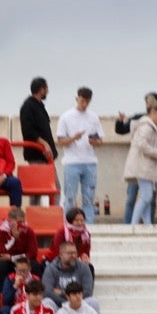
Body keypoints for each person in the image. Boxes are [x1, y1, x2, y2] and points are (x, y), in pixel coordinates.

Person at [56, 87, 104, 223]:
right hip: (72, 162)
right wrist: (74, 138)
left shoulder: (94, 117)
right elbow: (60, 141)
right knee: (70, 197)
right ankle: (68, 225)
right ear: (77, 99)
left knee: (89, 197)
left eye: (87, 102)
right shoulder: (66, 116)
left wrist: (95, 142)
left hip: (90, 161)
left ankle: (89, 225)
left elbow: (101, 141)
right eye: (82, 101)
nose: (84, 104)